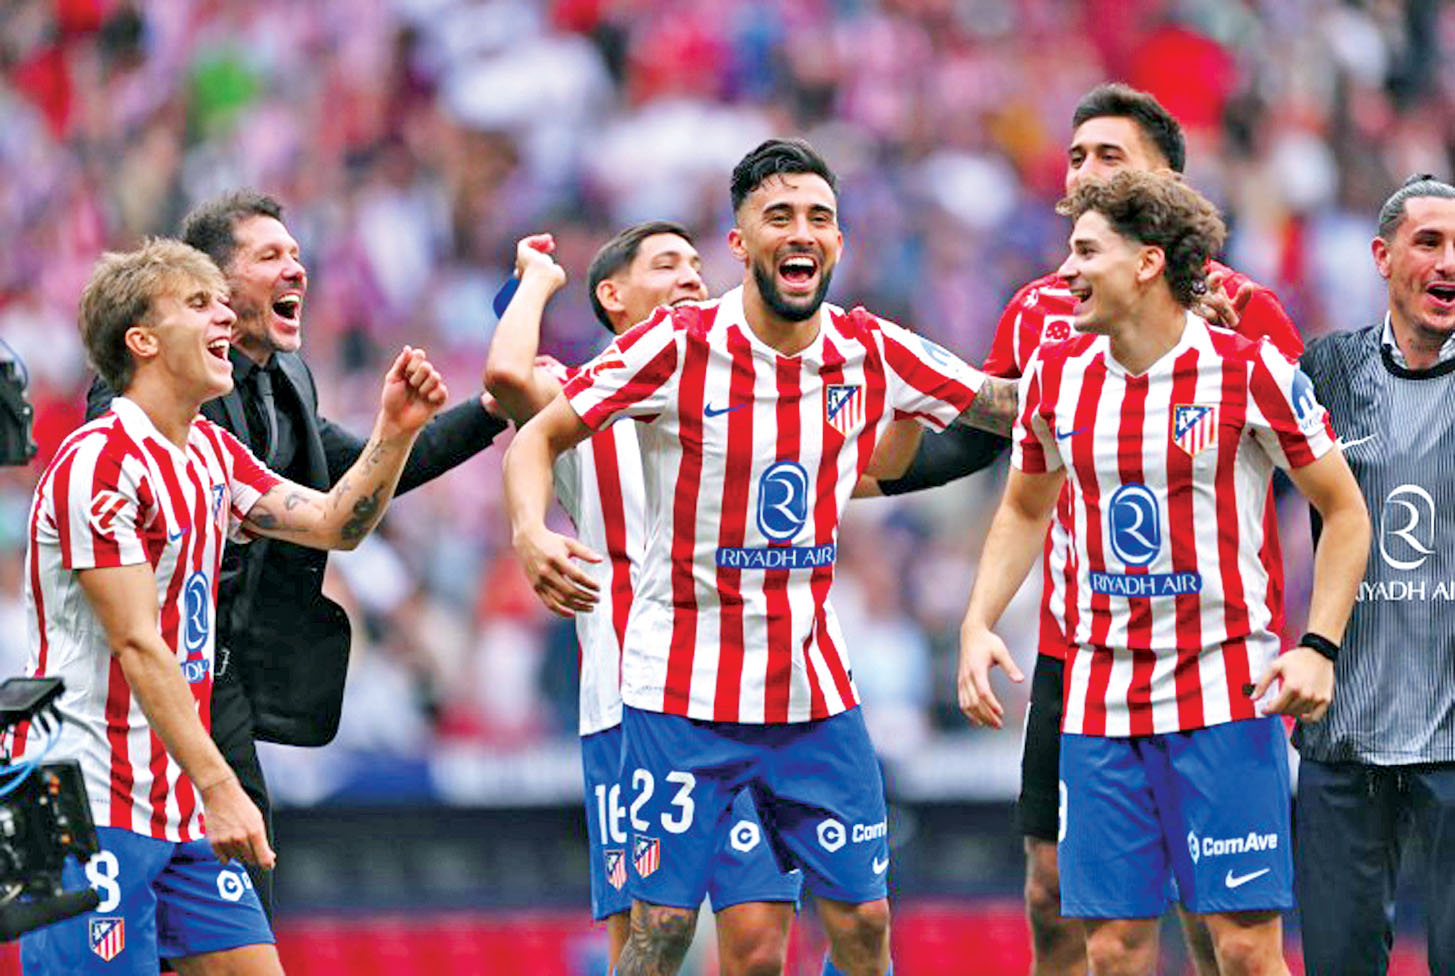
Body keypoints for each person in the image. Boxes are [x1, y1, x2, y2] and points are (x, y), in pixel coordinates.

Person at [503, 137, 1017, 976]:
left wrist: (1137, 355)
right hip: (679, 691)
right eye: (778, 217)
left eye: (818, 216)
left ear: (838, 241)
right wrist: (530, 531)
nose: (800, 231)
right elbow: (538, 433)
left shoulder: (870, 347)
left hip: (810, 692)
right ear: (739, 243)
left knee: (864, 922)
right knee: (661, 931)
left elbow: (1002, 405)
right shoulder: (677, 345)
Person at [869, 82, 1303, 976]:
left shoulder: (1244, 312)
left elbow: (1309, 472)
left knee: (1215, 914)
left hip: (1210, 648)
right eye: (1075, 157)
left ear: (1167, 181)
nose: (1085, 172)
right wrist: (838, 476)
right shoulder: (1040, 311)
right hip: (1082, 649)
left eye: (1110, 155)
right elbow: (980, 448)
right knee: (1055, 890)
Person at [957, 170, 1370, 976]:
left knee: (1243, 948)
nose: (1065, 271)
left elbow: (1344, 511)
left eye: (1085, 252)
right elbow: (1023, 508)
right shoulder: (1054, 375)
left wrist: (1318, 647)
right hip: (1098, 702)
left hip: (1224, 694)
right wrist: (977, 623)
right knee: (1112, 949)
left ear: (1147, 262)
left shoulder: (1248, 372)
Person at [15, 238, 448, 974]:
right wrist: (223, 786)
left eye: (222, 302)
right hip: (83, 796)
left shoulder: (211, 453)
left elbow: (334, 524)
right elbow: (138, 644)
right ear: (143, 341)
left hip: (178, 796)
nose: (225, 317)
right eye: (198, 304)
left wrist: (395, 433)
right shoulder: (99, 462)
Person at [84, 191, 509, 915]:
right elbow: (134, 603)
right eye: (270, 256)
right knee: (136, 933)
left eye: (297, 254)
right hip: (124, 701)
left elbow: (342, 508)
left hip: (217, 681)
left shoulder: (277, 389)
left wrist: (482, 412)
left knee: (241, 915)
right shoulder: (131, 421)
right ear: (211, 288)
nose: (297, 269)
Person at [484, 223, 803, 975]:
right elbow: (505, 375)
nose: (692, 275)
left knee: (759, 940)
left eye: (695, 263)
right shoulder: (578, 395)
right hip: (631, 704)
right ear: (612, 295)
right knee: (648, 936)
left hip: (740, 694)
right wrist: (536, 279)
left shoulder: (741, 390)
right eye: (666, 264)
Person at [1293, 174, 1455, 975]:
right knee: (1336, 964)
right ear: (1381, 257)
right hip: (1343, 733)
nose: (1448, 262)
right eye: (1428, 242)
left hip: (1452, 737)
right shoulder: (1324, 369)